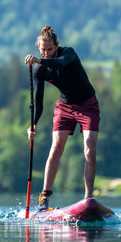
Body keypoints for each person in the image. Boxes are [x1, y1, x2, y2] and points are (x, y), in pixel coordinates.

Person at [24, 26, 100, 211]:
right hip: (64, 108)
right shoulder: (39, 70)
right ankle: (44, 199)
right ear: (38, 47)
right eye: (42, 50)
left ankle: (88, 198)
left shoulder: (68, 53)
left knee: (89, 149)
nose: (46, 53)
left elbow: (59, 63)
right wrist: (33, 124)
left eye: (49, 49)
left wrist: (40, 60)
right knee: (56, 148)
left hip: (87, 105)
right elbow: (39, 103)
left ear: (57, 46)